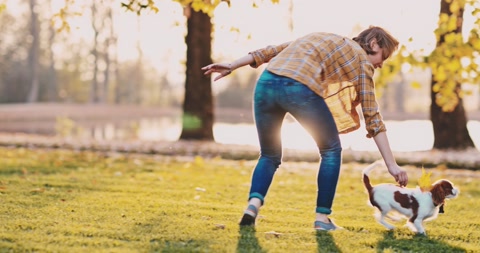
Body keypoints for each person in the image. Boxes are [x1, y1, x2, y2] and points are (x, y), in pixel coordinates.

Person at [202, 26, 409, 231]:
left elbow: (271, 51)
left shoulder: (320, 36)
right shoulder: (363, 62)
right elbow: (372, 117)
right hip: (298, 87)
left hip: (266, 83)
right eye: (384, 56)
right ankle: (322, 219)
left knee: (269, 155)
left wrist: (232, 65)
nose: (381, 64)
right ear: (374, 44)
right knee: (331, 150)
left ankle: (252, 205)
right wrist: (392, 165)